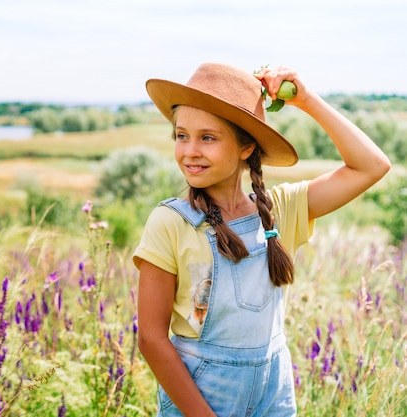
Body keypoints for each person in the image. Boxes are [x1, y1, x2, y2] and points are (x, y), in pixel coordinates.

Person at [133, 62, 391, 416]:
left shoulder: (281, 210)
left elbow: (372, 165)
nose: (190, 150)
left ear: (245, 147)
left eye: (207, 137)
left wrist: (308, 99)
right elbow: (151, 339)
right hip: (201, 397)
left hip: (273, 394)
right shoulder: (170, 222)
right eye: (181, 135)